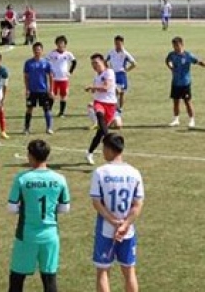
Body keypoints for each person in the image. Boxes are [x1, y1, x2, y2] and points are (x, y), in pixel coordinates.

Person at [6, 139, 70, 292]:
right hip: (50, 236)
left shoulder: (22, 179)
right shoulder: (59, 179)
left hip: (26, 236)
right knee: (49, 280)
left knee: (16, 280)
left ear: (30, 155)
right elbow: (64, 208)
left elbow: (11, 208)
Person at [89, 133, 144, 292]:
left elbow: (96, 202)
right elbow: (137, 204)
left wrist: (113, 221)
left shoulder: (100, 172)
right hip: (127, 231)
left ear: (108, 148)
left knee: (103, 271)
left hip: (106, 229)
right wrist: (125, 224)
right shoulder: (134, 172)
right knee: (129, 272)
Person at [165, 37, 205, 129]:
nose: (175, 48)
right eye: (173, 46)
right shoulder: (172, 54)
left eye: (176, 46)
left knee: (187, 102)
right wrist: (170, 66)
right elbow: (167, 60)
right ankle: (176, 119)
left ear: (181, 45)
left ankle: (192, 120)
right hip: (175, 82)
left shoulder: (188, 55)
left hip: (185, 82)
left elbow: (200, 62)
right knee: (175, 101)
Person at [83, 54, 118, 165]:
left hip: (111, 105)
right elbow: (96, 91)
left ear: (103, 62)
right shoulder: (96, 76)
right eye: (92, 64)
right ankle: (110, 143)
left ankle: (89, 152)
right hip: (99, 103)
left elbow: (106, 87)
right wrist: (93, 90)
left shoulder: (109, 72)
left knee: (100, 133)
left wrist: (92, 88)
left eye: (96, 63)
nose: (94, 66)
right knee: (99, 116)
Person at [23, 42, 54, 135]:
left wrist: (51, 89)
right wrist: (27, 89)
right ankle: (26, 128)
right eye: (36, 50)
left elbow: (50, 76)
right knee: (29, 109)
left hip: (43, 90)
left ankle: (49, 128)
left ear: (42, 51)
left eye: (39, 50)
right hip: (32, 90)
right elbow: (26, 77)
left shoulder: (46, 63)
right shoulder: (28, 63)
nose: (37, 51)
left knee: (47, 109)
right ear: (33, 51)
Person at [46, 36, 77, 118]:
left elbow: (74, 62)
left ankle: (61, 113)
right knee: (52, 95)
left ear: (65, 44)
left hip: (64, 79)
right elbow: (46, 62)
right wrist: (50, 71)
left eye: (62, 43)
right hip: (54, 79)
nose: (60, 45)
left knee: (63, 95)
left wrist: (70, 72)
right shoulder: (52, 53)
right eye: (58, 43)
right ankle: (49, 111)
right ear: (56, 44)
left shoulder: (68, 54)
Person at [106, 35, 137, 114]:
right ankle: (114, 107)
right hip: (113, 74)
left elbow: (134, 63)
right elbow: (104, 61)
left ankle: (120, 108)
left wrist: (126, 70)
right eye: (116, 43)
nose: (117, 45)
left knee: (121, 93)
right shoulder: (111, 52)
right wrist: (108, 69)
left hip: (121, 75)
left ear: (122, 43)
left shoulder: (125, 53)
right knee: (115, 92)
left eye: (119, 44)